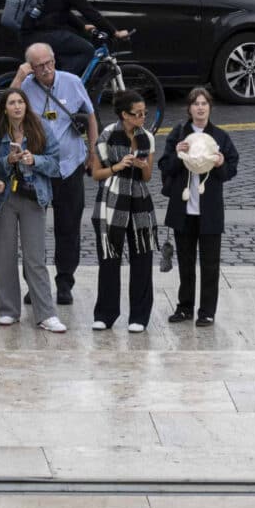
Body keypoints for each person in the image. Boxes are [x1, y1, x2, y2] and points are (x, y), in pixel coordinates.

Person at [17, 42, 99, 307]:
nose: (46, 69)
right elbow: (8, 107)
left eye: (49, 62)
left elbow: (91, 116)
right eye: (39, 66)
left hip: (69, 166)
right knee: (33, 230)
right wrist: (20, 76)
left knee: (68, 227)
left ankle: (65, 282)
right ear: (31, 66)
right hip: (38, 167)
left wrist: (93, 152)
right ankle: (36, 285)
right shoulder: (27, 86)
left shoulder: (72, 81)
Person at [0, 86, 61, 331]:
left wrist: (34, 160)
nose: (17, 106)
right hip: (5, 197)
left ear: (26, 105)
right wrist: (8, 161)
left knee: (35, 257)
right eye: (11, 103)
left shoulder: (40, 128)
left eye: (20, 102)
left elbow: (56, 163)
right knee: (5, 255)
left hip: (33, 196)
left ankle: (46, 313)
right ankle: (8, 310)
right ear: (4, 109)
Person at [160, 87, 238, 326]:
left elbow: (231, 168)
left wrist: (221, 163)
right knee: (185, 262)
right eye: (196, 104)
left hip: (210, 211)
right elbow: (166, 166)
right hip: (184, 210)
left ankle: (207, 311)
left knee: (210, 264)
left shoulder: (221, 136)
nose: (200, 108)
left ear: (210, 108)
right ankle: (185, 307)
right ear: (189, 108)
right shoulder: (178, 134)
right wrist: (176, 153)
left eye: (204, 103)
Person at [91, 91, 160, 333]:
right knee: (110, 259)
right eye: (137, 113)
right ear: (124, 115)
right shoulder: (107, 136)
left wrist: (142, 166)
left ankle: (139, 316)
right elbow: (96, 173)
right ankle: (105, 314)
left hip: (140, 202)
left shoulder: (147, 137)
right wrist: (118, 166)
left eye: (144, 113)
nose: (142, 117)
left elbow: (149, 176)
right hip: (112, 200)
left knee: (142, 257)